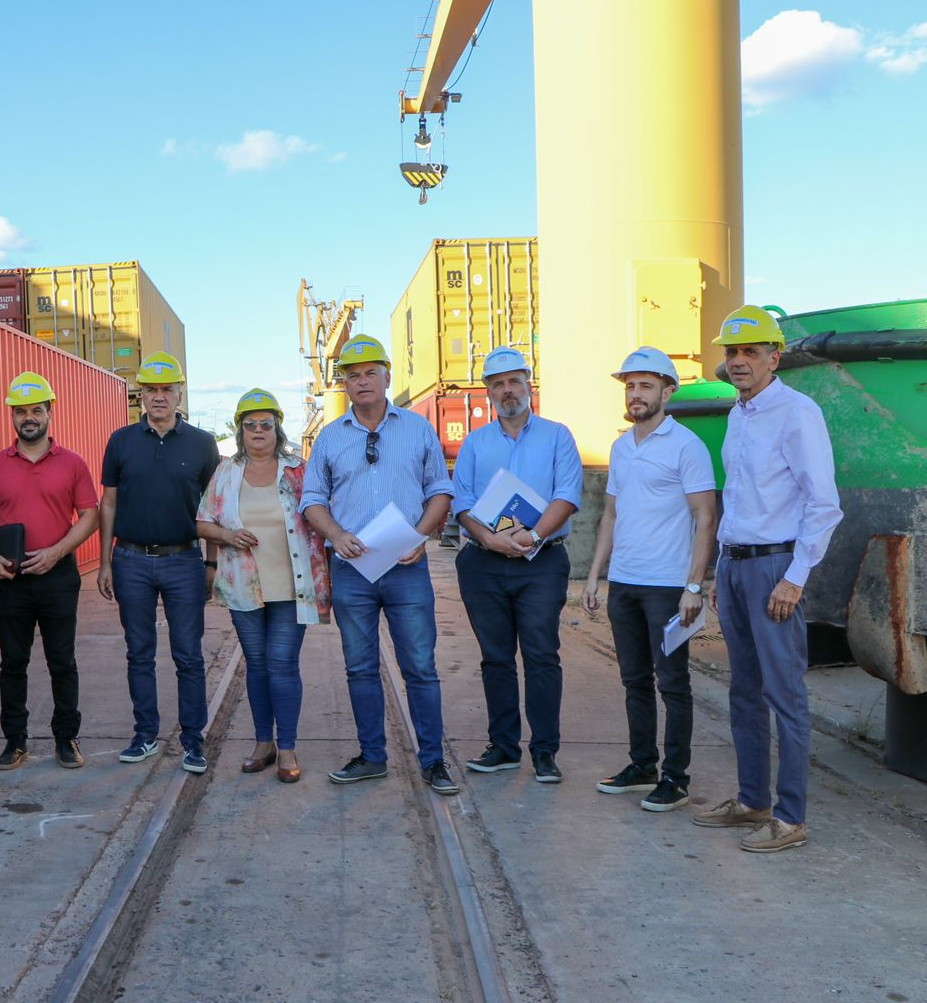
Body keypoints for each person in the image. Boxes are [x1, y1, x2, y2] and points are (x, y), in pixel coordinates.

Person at [693, 306, 842, 853]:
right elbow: (738, 496)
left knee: (785, 695)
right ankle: (752, 799)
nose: (738, 362)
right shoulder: (739, 414)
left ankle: (790, 817)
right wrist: (720, 568)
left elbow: (823, 505)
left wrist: (795, 577)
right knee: (743, 692)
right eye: (732, 352)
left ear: (774, 357)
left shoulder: (796, 413)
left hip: (776, 568)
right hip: (737, 566)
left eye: (750, 352)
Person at [300, 338, 456, 791]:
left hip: (407, 566)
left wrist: (422, 534)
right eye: (352, 374)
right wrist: (335, 535)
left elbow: (439, 490)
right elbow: (312, 500)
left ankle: (433, 760)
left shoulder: (417, 428)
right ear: (344, 384)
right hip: (353, 570)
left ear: (387, 376)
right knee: (360, 667)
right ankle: (372, 756)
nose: (361, 380)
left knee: (420, 667)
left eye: (370, 372)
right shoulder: (330, 438)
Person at [582, 347, 717, 811]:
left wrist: (693, 586)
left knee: (672, 683)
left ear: (668, 391)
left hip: (667, 587)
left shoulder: (687, 446)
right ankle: (642, 765)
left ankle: (676, 778)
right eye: (630, 385)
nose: (635, 394)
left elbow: (705, 518)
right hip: (625, 583)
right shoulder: (622, 446)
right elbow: (611, 514)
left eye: (645, 385)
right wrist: (596, 576)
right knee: (633, 679)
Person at [452, 346, 583, 784]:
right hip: (484, 565)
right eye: (497, 383)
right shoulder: (475, 443)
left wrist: (533, 536)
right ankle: (504, 747)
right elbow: (462, 502)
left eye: (514, 381)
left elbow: (566, 494)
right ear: (488, 392)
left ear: (529, 384)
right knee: (495, 658)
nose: (507, 390)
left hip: (541, 563)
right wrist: (487, 537)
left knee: (542, 655)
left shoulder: (557, 436)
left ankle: (545, 751)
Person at [97, 352, 222, 775]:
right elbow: (108, 503)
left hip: (183, 560)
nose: (159, 397)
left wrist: (211, 564)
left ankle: (193, 740)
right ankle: (145, 734)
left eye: (167, 389)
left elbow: (213, 510)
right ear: (140, 396)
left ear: (180, 394)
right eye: (151, 389)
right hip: (130, 559)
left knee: (188, 655)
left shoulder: (202, 444)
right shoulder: (121, 441)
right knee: (139, 653)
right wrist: (104, 563)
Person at [198, 388, 330, 784]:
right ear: (240, 431)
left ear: (277, 428)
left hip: (293, 586)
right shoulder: (226, 472)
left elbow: (322, 514)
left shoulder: (298, 469)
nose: (258, 430)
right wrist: (226, 535)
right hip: (245, 587)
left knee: (282, 664)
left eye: (265, 424)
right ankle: (262, 743)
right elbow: (201, 521)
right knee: (256, 665)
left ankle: (286, 745)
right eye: (250, 424)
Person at [0, 372, 100, 771]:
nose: (29, 418)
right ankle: (15, 741)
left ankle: (67, 738)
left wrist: (58, 552)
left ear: (49, 412)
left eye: (36, 410)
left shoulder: (73, 463)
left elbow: (90, 516)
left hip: (58, 576)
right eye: (21, 411)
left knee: (62, 660)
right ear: (12, 415)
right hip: (11, 579)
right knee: (13, 662)